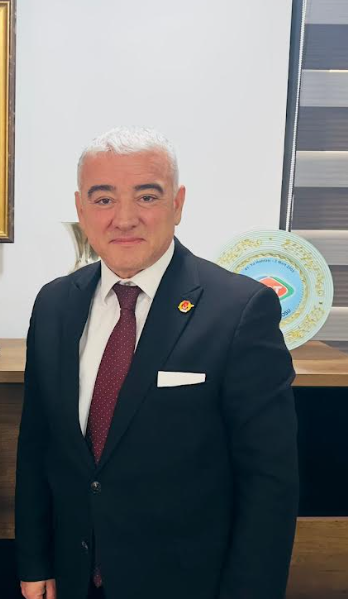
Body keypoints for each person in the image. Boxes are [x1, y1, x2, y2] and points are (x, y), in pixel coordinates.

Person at [15, 127, 299, 599]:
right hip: (73, 576)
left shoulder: (240, 310)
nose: (124, 218)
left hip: (187, 582)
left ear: (178, 204)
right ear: (81, 209)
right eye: (103, 199)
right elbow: (37, 445)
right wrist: (34, 560)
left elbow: (269, 482)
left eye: (146, 196)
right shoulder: (55, 304)